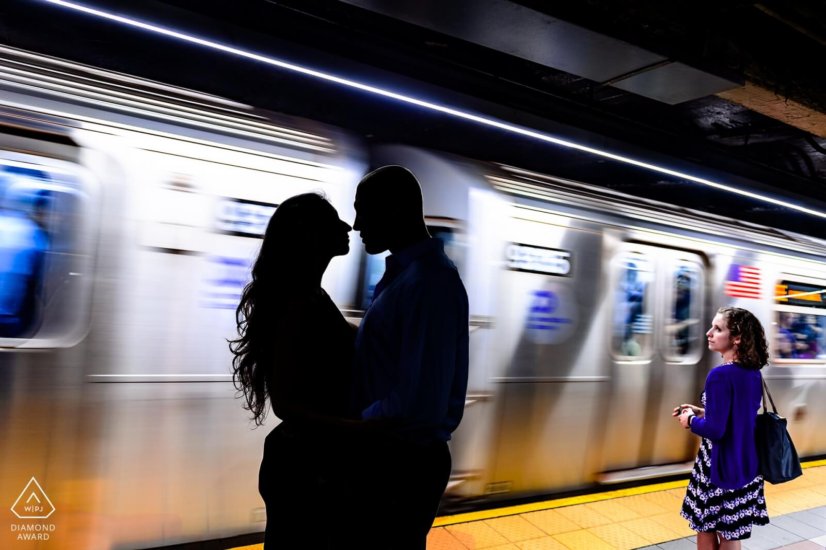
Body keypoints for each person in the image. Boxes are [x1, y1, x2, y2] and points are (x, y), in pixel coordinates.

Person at [351, 165, 469, 550]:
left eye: (363, 210)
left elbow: (420, 400)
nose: (355, 224)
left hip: (403, 464)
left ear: (396, 211)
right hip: (396, 458)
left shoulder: (427, 282)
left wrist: (351, 424)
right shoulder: (409, 277)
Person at [229, 193, 356, 549]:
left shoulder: (311, 296)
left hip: (303, 463)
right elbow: (286, 404)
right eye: (333, 221)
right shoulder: (300, 302)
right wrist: (361, 429)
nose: (347, 226)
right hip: (304, 469)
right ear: (310, 235)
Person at [674, 306, 770, 549]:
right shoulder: (753, 373)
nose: (709, 333)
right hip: (746, 464)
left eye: (717, 329)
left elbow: (716, 430)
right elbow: (737, 417)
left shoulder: (719, 376)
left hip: (717, 466)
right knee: (731, 533)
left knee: (705, 527)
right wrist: (702, 412)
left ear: (736, 338)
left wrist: (690, 420)